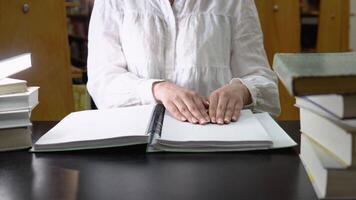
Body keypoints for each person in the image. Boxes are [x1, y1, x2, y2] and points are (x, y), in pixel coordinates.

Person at [87, 0, 281, 125]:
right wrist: (156, 89)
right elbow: (102, 79)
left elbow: (261, 77)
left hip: (214, 140)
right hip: (135, 145)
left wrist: (242, 90)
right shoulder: (111, 3)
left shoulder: (235, 3)